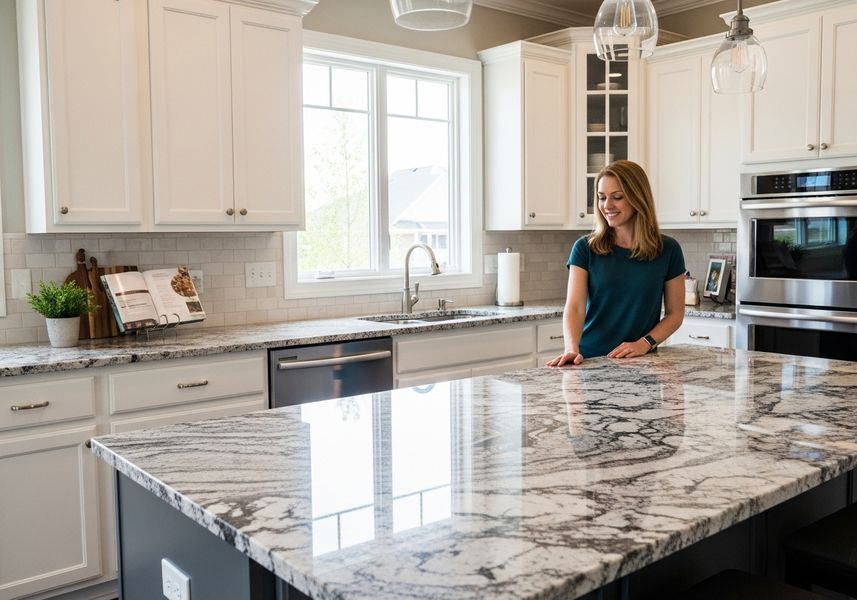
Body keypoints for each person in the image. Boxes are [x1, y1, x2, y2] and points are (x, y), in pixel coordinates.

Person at [547, 160, 685, 367]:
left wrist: (644, 343)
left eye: (617, 197)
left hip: (641, 362)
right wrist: (571, 348)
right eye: (602, 198)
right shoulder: (585, 248)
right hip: (590, 361)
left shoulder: (668, 249)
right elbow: (575, 307)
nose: (607, 205)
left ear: (638, 198)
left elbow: (675, 313)